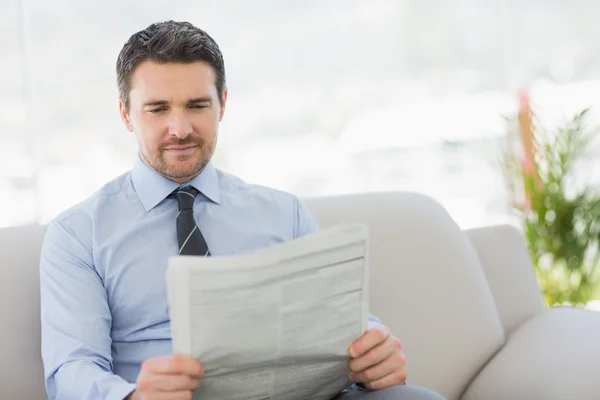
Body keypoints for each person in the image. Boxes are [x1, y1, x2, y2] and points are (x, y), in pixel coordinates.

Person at [39, 20, 445, 400]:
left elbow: (337, 320)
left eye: (197, 105)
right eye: (158, 109)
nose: (180, 128)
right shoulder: (79, 235)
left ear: (223, 104)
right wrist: (133, 396)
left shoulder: (283, 214)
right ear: (126, 113)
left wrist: (374, 346)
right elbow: (71, 369)